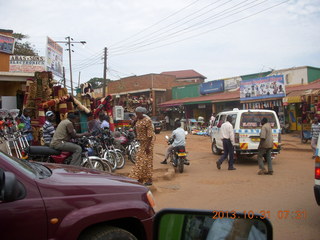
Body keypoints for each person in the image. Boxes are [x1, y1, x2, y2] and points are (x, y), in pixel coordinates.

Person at [129, 107, 155, 186]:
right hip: (142, 142)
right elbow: (132, 126)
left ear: (142, 113)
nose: (136, 115)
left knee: (146, 160)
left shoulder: (147, 120)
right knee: (140, 159)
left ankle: (149, 179)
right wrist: (135, 120)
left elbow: (150, 135)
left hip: (148, 142)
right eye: (136, 113)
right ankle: (141, 178)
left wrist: (147, 147)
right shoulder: (138, 119)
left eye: (137, 113)